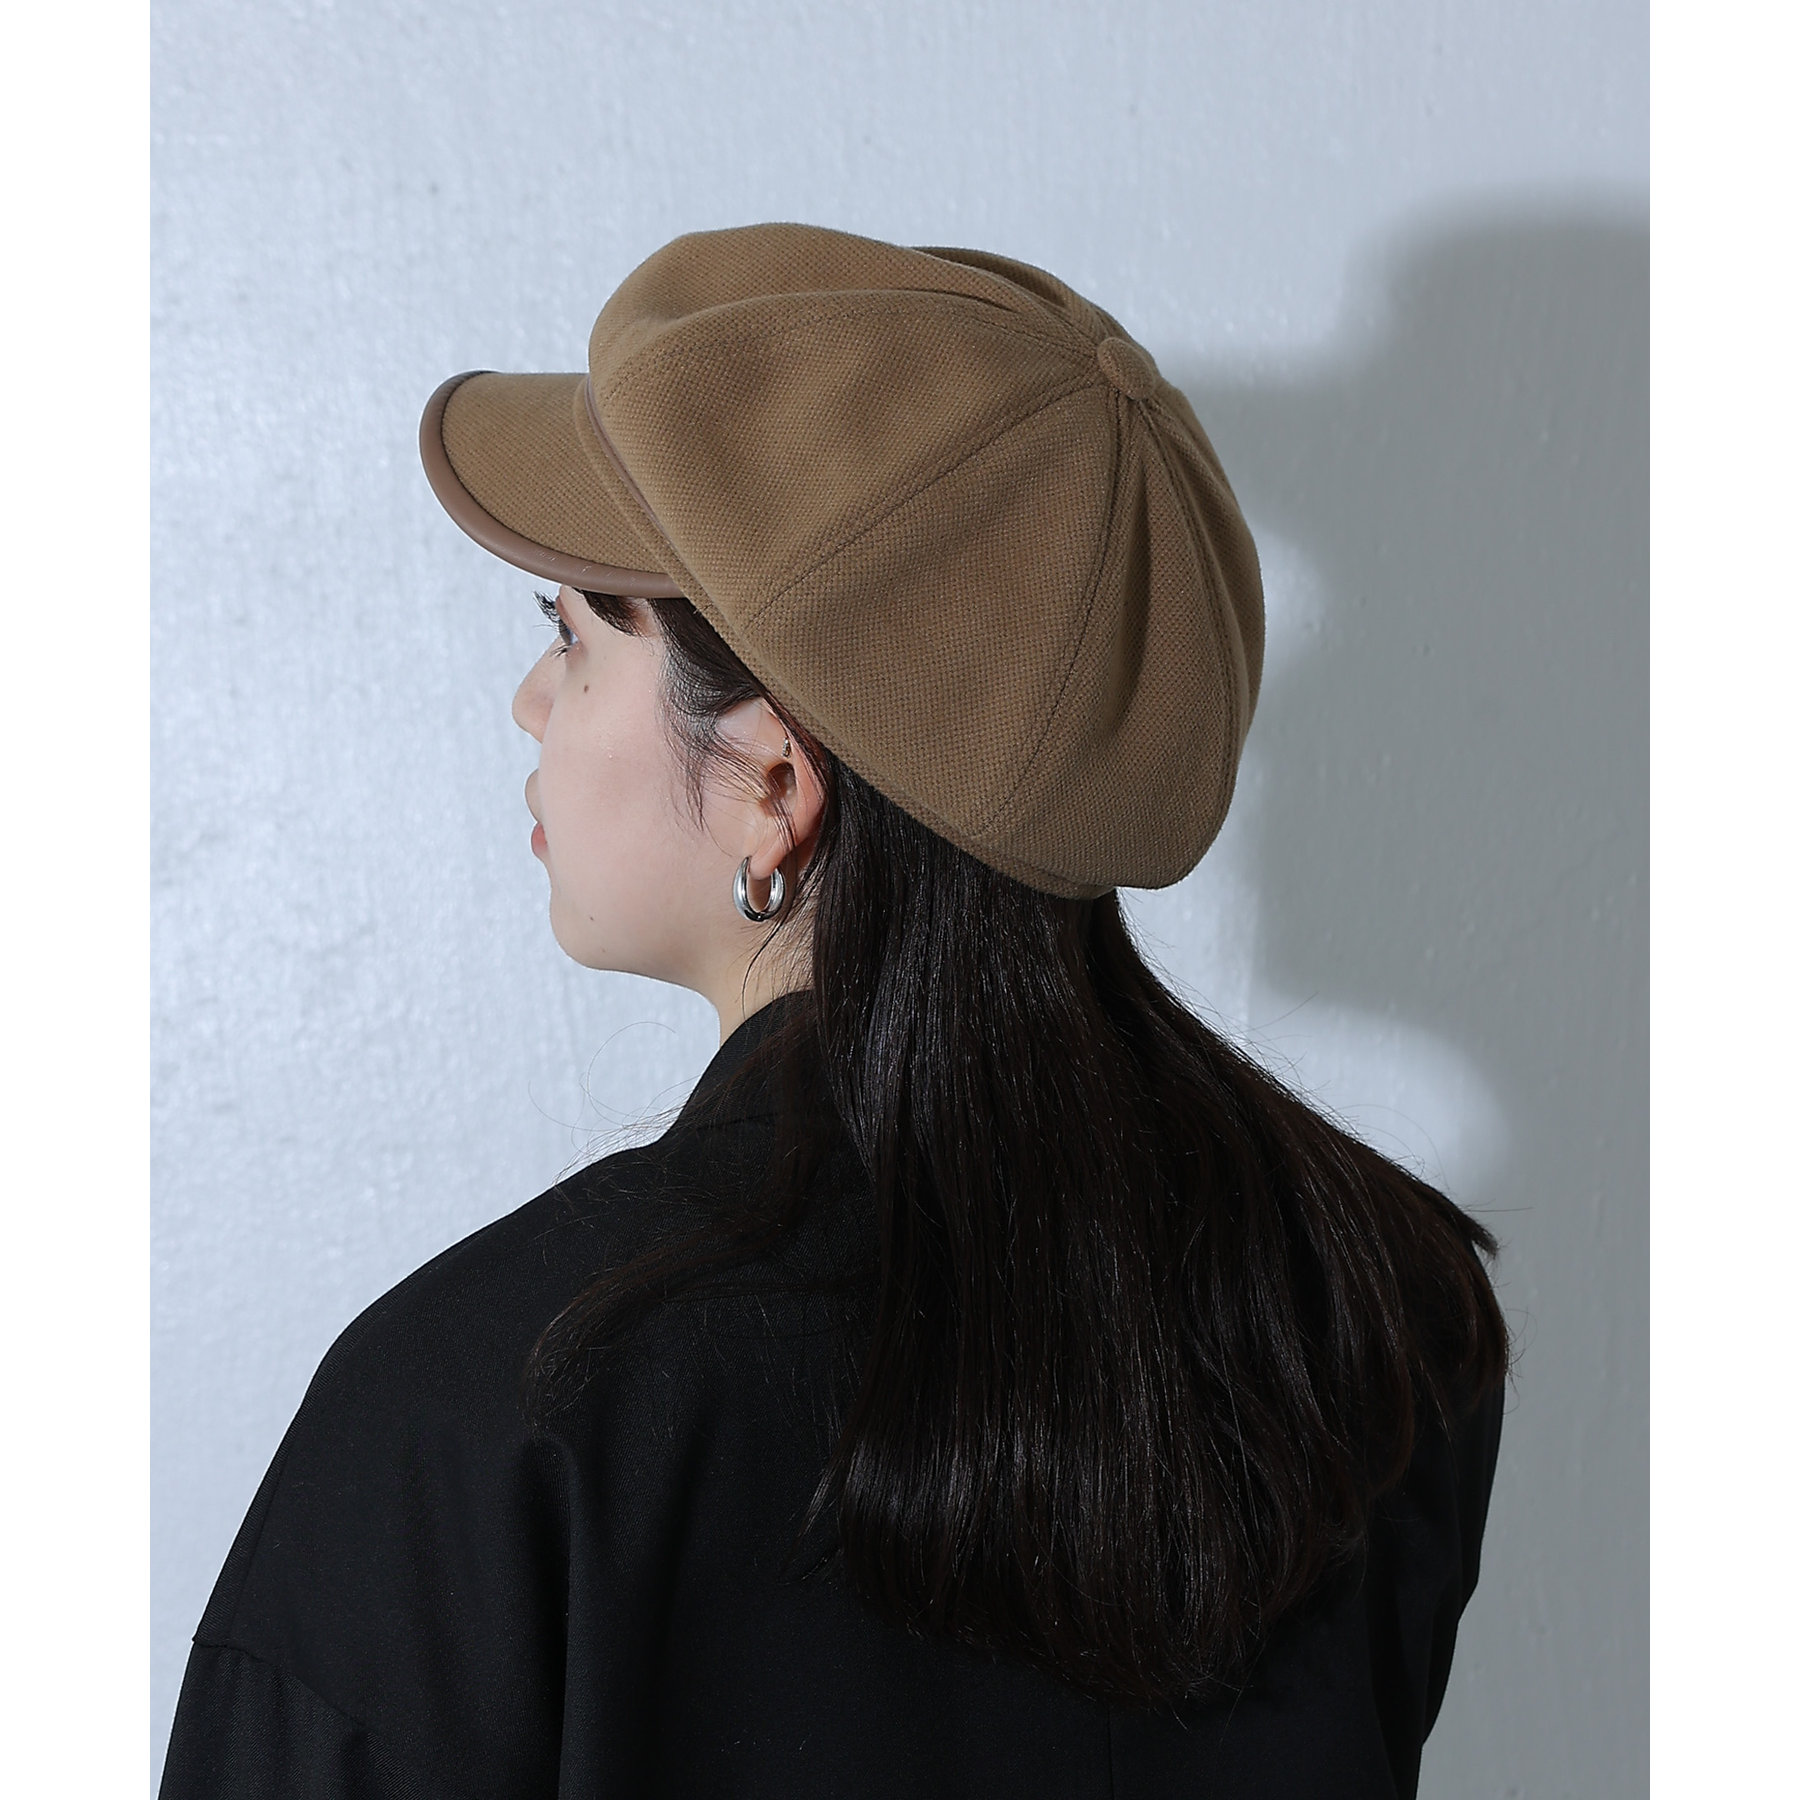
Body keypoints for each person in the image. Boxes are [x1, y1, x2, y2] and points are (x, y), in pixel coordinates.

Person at [160, 223, 1509, 1799]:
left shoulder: (487, 1412)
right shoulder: (1378, 1326)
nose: (531, 703)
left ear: (776, 784)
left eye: (574, 635)